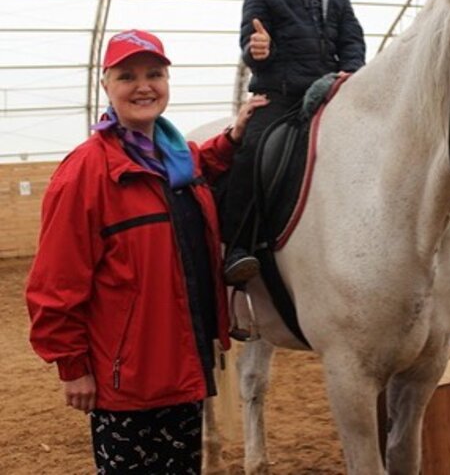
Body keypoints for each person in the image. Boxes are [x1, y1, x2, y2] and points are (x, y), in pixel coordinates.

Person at [25, 29, 268, 474]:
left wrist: (233, 136)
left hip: (184, 365)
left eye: (154, 74)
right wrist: (72, 366)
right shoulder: (86, 172)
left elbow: (202, 164)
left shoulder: (176, 158)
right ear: (106, 86)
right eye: (127, 76)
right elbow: (55, 283)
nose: (143, 86)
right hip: (127, 381)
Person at [222, 0, 366, 285]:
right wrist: (258, 51)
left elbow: (352, 39)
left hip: (331, 92)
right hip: (280, 95)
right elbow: (249, 41)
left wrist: (349, 75)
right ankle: (236, 246)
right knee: (253, 153)